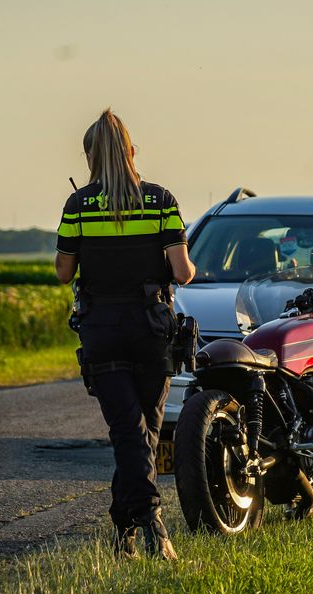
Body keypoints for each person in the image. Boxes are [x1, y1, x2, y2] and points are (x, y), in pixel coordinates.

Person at [54, 109, 195, 561]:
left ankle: (125, 533)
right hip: (151, 329)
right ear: (132, 152)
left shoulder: (77, 207)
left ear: (90, 157)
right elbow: (182, 273)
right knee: (143, 434)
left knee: (130, 435)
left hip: (102, 329)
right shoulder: (161, 202)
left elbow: (63, 272)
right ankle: (151, 522)